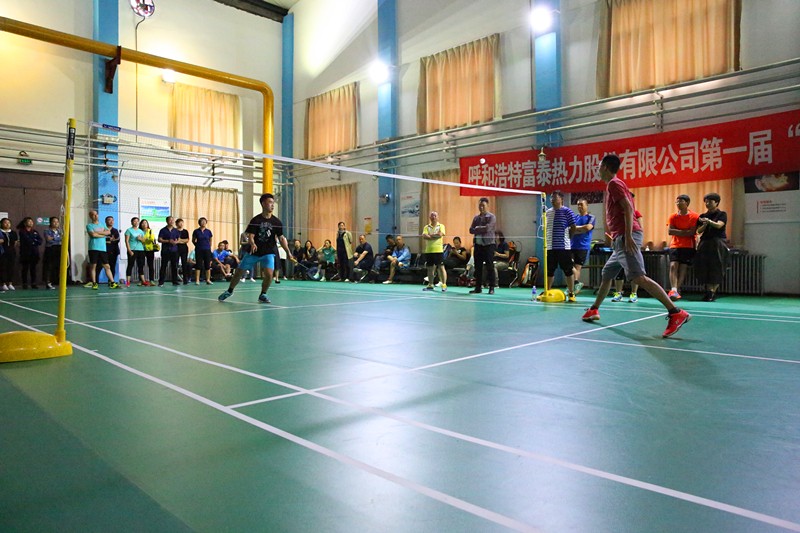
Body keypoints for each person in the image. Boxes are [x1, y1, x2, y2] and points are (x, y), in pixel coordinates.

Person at [581, 154, 690, 338]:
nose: (597, 169)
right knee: (607, 273)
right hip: (620, 238)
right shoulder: (615, 185)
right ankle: (594, 309)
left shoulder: (614, 184)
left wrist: (628, 235)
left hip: (626, 237)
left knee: (639, 278)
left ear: (605, 167)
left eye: (599, 166)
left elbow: (629, 209)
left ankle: (675, 312)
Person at [218, 193, 296, 304]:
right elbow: (251, 235)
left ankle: (263, 294)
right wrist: (253, 243)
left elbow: (282, 238)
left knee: (269, 274)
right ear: (263, 204)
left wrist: (288, 252)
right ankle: (230, 291)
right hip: (253, 252)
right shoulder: (256, 220)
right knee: (239, 272)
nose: (272, 205)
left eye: (273, 203)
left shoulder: (276, 222)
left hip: (268, 252)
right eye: (270, 202)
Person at [544, 191, 578, 302]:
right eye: (551, 198)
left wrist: (569, 238)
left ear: (561, 199)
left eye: (555, 198)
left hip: (564, 247)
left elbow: (573, 227)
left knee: (568, 270)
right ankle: (547, 291)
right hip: (550, 247)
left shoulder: (567, 211)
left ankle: (571, 293)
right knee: (550, 270)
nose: (552, 200)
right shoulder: (547, 213)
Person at [695, 192, 728, 302]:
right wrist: (704, 224)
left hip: (718, 242)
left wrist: (709, 221)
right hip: (705, 242)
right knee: (704, 266)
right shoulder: (702, 216)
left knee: (716, 267)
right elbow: (698, 231)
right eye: (706, 202)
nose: (707, 203)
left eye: (710, 201)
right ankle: (709, 291)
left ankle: (713, 291)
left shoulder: (722, 214)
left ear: (717, 202)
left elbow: (719, 225)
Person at [666, 194, 699, 300]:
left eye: (681, 201)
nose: (678, 203)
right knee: (673, 266)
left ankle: (676, 289)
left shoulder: (694, 216)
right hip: (674, 245)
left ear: (687, 203)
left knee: (683, 267)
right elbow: (670, 231)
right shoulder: (673, 216)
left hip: (688, 245)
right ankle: (674, 289)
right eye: (677, 201)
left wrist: (679, 231)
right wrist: (685, 232)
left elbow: (692, 232)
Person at [609, 209, 642, 303]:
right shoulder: (617, 213)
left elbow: (640, 228)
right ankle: (618, 293)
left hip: (631, 245)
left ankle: (634, 293)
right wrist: (614, 241)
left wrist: (634, 242)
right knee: (618, 271)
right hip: (619, 244)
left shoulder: (636, 213)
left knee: (633, 271)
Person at [84, 210, 120, 290]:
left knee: (107, 266)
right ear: (90, 216)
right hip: (93, 248)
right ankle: (94, 283)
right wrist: (103, 234)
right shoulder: (89, 225)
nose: (95, 216)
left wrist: (98, 233)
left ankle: (112, 283)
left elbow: (108, 232)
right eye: (93, 215)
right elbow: (93, 235)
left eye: (96, 214)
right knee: (94, 266)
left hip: (103, 249)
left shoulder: (102, 224)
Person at [468, 197, 497, 294]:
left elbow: (488, 228)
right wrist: (478, 228)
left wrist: (477, 228)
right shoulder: (476, 218)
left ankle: (491, 287)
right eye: (480, 205)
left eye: (483, 205)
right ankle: (478, 287)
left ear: (487, 206)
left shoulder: (491, 217)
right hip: (478, 245)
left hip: (488, 245)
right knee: (478, 267)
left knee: (490, 266)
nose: (481, 207)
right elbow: (471, 230)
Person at [570, 199, 596, 295]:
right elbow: (569, 229)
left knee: (577, 267)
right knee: (568, 265)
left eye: (581, 204)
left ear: (587, 205)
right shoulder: (575, 217)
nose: (579, 207)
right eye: (578, 205)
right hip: (572, 245)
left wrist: (576, 229)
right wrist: (581, 229)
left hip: (583, 246)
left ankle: (573, 286)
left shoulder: (591, 217)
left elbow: (588, 228)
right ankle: (576, 283)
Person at [421, 211, 448, 292]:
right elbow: (424, 236)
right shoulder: (426, 227)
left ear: (438, 217)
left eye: (435, 216)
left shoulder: (441, 226)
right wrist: (434, 236)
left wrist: (430, 236)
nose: (433, 217)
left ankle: (444, 284)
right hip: (429, 250)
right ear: (430, 217)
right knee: (430, 268)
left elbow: (440, 235)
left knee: (441, 267)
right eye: (432, 216)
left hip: (438, 250)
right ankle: (430, 284)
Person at [17, 217, 42, 289]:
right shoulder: (22, 231)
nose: (31, 223)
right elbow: (27, 240)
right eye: (29, 221)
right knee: (25, 268)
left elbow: (40, 241)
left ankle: (33, 283)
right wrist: (34, 241)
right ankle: (24, 283)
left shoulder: (35, 231)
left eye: (32, 221)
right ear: (25, 223)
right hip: (25, 253)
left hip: (34, 253)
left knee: (33, 268)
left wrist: (34, 241)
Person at [96, 216, 120, 284]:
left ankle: (111, 282)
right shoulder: (102, 230)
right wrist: (108, 240)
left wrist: (109, 240)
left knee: (112, 267)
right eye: (109, 220)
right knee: (99, 266)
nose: (111, 221)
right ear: (106, 222)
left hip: (113, 251)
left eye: (112, 220)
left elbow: (116, 240)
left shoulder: (115, 230)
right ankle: (95, 282)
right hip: (103, 251)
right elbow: (100, 238)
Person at [124, 217, 148, 287]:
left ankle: (143, 281)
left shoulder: (140, 231)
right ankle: (127, 282)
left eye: (137, 221)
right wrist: (129, 250)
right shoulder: (129, 230)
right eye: (134, 221)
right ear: (132, 222)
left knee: (141, 265)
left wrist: (141, 239)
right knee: (130, 265)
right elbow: (126, 241)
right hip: (132, 250)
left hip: (141, 250)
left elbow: (144, 241)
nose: (136, 222)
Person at [157, 216, 181, 286]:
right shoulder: (163, 230)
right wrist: (168, 241)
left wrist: (176, 242)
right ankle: (161, 282)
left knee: (174, 266)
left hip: (174, 250)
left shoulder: (176, 230)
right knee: (163, 266)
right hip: (165, 250)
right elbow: (159, 239)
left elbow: (179, 239)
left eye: (172, 220)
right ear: (167, 221)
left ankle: (175, 281)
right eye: (170, 220)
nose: (171, 221)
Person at [42, 216, 63, 290]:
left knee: (58, 266)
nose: (56, 223)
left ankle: (59, 282)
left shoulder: (60, 231)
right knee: (49, 266)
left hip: (59, 248)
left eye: (57, 222)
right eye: (54, 221)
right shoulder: (47, 230)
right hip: (50, 249)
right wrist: (58, 238)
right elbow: (48, 239)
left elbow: (62, 238)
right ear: (50, 222)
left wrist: (54, 237)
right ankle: (48, 283)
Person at [192, 217, 213, 285]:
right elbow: (193, 240)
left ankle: (208, 280)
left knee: (207, 265)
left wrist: (209, 247)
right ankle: (197, 280)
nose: (203, 222)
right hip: (199, 250)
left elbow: (210, 240)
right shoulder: (196, 231)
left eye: (204, 221)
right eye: (202, 221)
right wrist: (197, 245)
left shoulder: (208, 231)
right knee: (198, 265)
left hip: (207, 250)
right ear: (199, 223)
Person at [0, 218, 19, 291]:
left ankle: (10, 283)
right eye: (5, 222)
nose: (7, 224)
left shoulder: (13, 232)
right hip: (2, 252)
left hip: (11, 252)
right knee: (3, 267)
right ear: (1, 224)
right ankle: (3, 284)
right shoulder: (0, 232)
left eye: (8, 223)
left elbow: (15, 243)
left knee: (11, 267)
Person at [139, 219, 157, 284]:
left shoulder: (150, 231)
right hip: (141, 250)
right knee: (141, 265)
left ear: (147, 224)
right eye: (143, 223)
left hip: (150, 250)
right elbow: (138, 239)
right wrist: (145, 239)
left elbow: (151, 239)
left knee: (150, 265)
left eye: (145, 223)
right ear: (140, 224)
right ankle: (141, 280)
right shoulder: (139, 231)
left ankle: (151, 280)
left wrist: (142, 239)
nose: (144, 224)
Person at [175, 218, 191, 285]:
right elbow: (175, 240)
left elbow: (187, 240)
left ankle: (185, 279)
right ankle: (175, 279)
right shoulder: (174, 231)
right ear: (176, 224)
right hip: (176, 249)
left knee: (184, 264)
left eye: (182, 222)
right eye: (179, 222)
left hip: (184, 249)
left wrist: (180, 240)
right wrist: (181, 241)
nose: (181, 224)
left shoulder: (185, 231)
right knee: (175, 264)